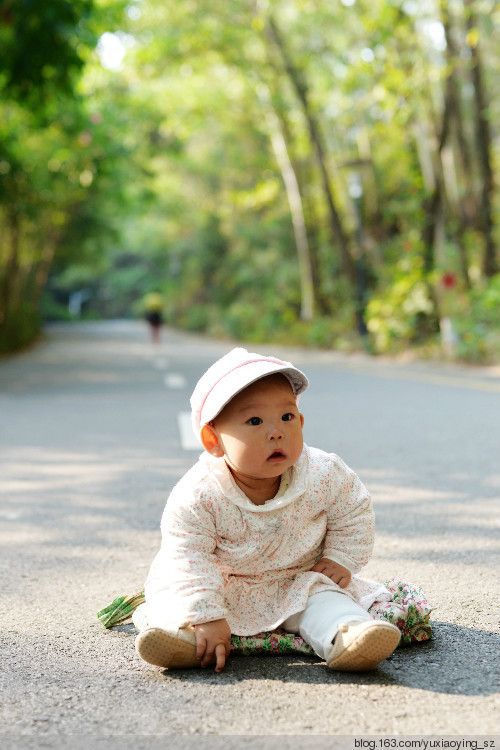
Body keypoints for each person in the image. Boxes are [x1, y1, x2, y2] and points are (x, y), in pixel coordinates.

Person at [135, 348, 401, 673]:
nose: (276, 432)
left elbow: (353, 511)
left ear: (300, 422)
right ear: (213, 439)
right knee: (176, 601)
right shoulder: (200, 494)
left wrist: (340, 557)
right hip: (220, 582)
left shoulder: (324, 473)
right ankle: (187, 641)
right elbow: (188, 556)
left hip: (297, 578)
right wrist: (206, 612)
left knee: (327, 600)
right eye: (255, 421)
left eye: (287, 417)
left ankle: (348, 635)